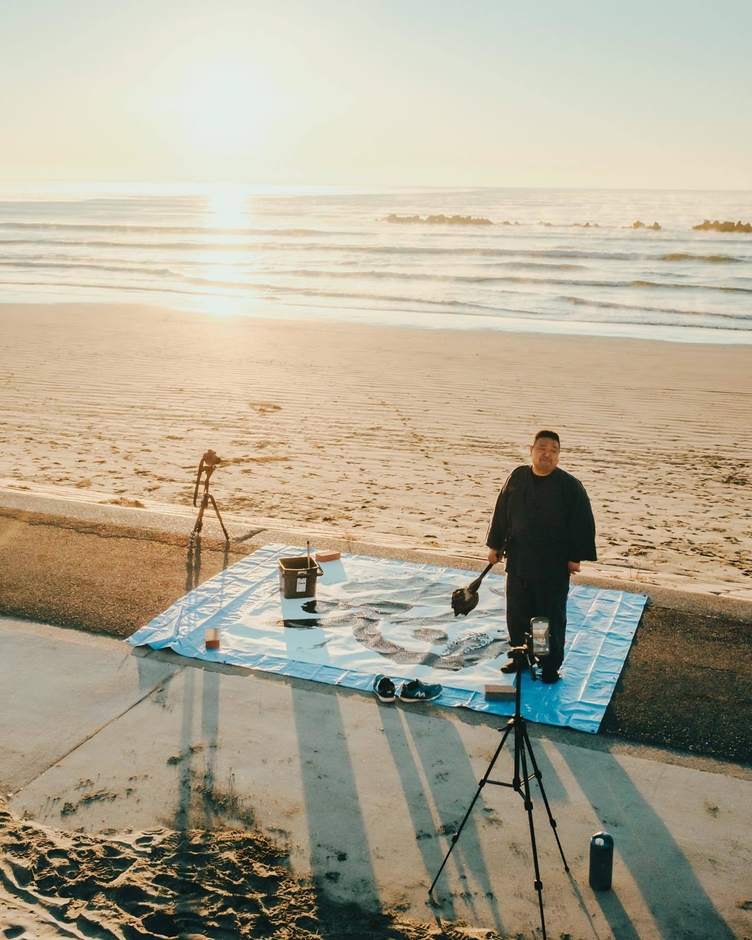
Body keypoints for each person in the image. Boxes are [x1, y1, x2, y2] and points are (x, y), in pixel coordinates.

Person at [485, 430, 597, 683]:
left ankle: (547, 664)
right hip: (519, 560)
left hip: (552, 564)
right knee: (517, 613)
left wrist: (575, 556)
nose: (547, 453)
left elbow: (582, 523)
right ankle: (521, 657)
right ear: (531, 449)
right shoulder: (517, 476)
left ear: (558, 455)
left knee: (546, 618)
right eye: (542, 448)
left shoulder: (570, 486)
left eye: (553, 450)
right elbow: (501, 512)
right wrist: (494, 545)